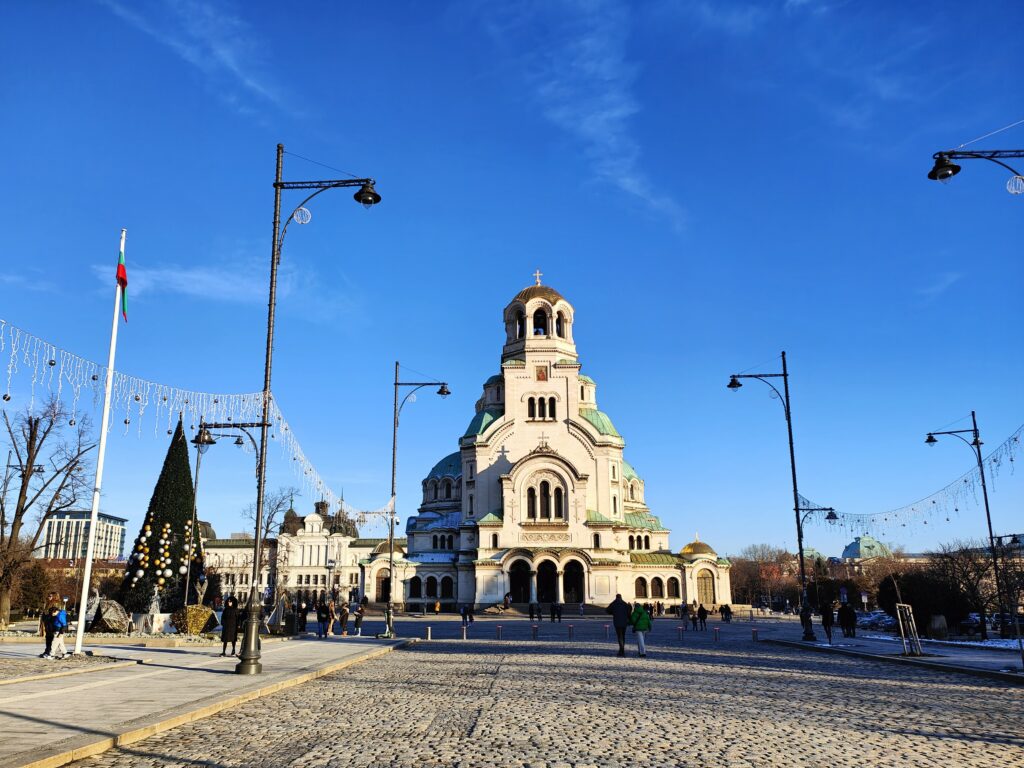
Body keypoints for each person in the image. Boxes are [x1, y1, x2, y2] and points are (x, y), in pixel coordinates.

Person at [39, 592, 59, 658]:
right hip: (48, 622)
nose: (49, 597)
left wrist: (47, 617)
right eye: (48, 596)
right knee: (48, 637)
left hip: (52, 623)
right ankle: (47, 650)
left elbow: (55, 614)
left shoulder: (55, 603)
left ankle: (49, 651)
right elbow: (46, 612)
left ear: (54, 597)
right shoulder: (48, 603)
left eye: (50, 596)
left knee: (51, 638)